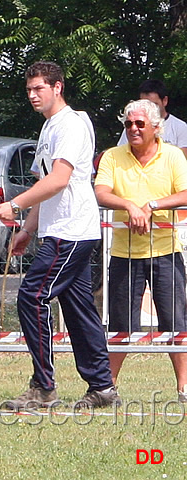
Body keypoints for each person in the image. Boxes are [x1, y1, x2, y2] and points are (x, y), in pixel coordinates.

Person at [0, 60, 119, 410]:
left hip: (72, 231)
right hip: (59, 231)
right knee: (79, 311)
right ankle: (103, 388)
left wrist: (14, 205)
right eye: (29, 90)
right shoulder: (49, 128)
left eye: (39, 89)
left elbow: (60, 179)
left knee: (32, 296)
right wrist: (27, 230)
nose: (33, 95)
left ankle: (43, 386)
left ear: (57, 87)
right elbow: (44, 185)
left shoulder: (72, 125)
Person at [94, 99, 187, 403]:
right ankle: (106, 389)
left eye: (139, 124)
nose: (133, 129)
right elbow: (101, 191)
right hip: (124, 254)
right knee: (120, 325)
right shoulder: (112, 156)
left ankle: (184, 389)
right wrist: (130, 206)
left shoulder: (173, 155)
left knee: (176, 324)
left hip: (166, 251)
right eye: (128, 124)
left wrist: (153, 206)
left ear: (155, 128)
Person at [116, 79, 187, 157]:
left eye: (154, 104)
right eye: (144, 104)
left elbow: (182, 158)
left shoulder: (180, 127)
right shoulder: (132, 128)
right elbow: (121, 154)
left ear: (165, 101)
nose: (149, 108)